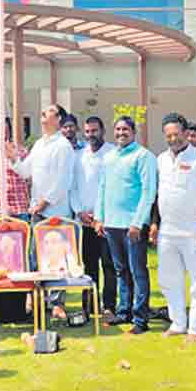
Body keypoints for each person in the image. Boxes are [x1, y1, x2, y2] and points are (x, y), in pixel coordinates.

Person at [153, 113, 196, 341]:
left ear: (186, 133)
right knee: (169, 279)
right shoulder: (160, 160)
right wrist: (155, 224)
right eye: (168, 135)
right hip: (167, 231)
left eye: (177, 134)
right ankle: (178, 322)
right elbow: (157, 195)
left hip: (193, 231)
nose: (173, 139)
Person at [10, 104, 77, 319]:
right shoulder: (39, 144)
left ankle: (57, 303)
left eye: (47, 111)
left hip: (55, 210)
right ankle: (36, 298)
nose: (42, 114)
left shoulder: (63, 146)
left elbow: (63, 181)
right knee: (35, 256)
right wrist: (13, 159)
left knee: (56, 256)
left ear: (58, 119)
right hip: (37, 210)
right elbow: (25, 171)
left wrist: (45, 202)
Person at [94, 115, 158, 335]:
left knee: (137, 271)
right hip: (111, 224)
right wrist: (99, 217)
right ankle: (124, 311)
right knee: (120, 270)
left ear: (133, 132)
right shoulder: (110, 157)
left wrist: (138, 222)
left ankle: (141, 319)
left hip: (132, 225)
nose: (121, 133)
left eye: (125, 129)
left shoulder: (144, 156)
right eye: (118, 129)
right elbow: (102, 188)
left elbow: (148, 192)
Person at [72, 116, 117, 318]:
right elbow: (72, 187)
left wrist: (101, 216)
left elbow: (114, 188)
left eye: (95, 131)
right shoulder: (78, 156)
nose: (91, 135)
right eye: (88, 131)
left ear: (103, 130)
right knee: (88, 266)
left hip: (106, 220)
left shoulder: (113, 154)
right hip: (85, 221)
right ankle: (89, 306)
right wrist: (79, 211)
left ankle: (109, 306)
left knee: (109, 265)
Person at [0, 119, 30, 221]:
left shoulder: (21, 152)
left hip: (18, 209)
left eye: (5, 131)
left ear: (9, 133)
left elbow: (29, 178)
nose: (1, 135)